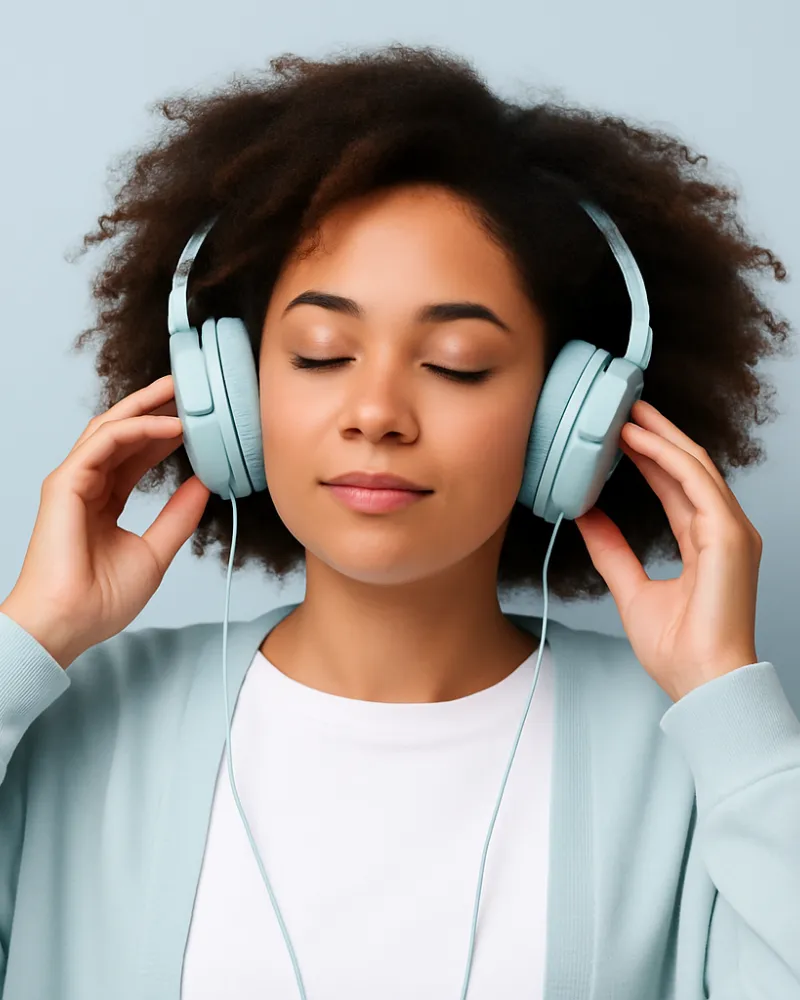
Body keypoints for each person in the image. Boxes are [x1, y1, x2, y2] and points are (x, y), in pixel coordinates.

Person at [0, 43, 798, 1000]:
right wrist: (27, 640)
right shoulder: (80, 721)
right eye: (322, 352)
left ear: (568, 418)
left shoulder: (684, 757)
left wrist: (730, 707)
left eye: (457, 361)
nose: (376, 410)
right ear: (234, 397)